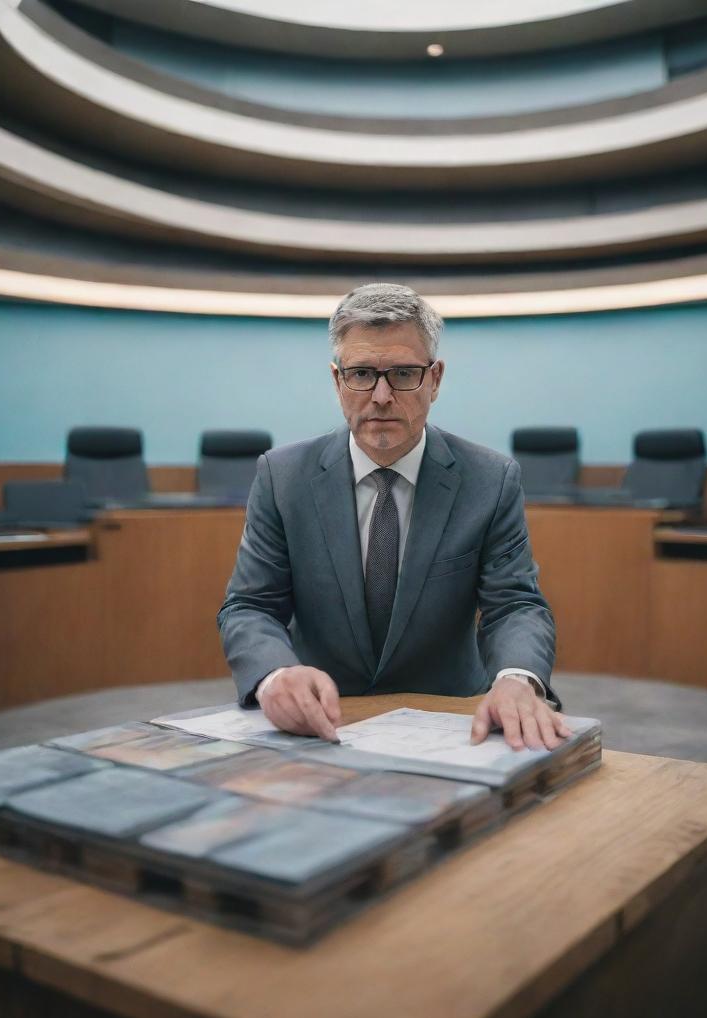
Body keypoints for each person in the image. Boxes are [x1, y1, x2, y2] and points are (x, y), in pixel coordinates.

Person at [218, 283, 569, 751]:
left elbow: (515, 605)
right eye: (361, 373)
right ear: (337, 380)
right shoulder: (283, 477)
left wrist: (516, 679)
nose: (381, 396)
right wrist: (274, 675)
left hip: (452, 721)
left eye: (403, 373)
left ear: (435, 379)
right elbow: (251, 605)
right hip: (320, 721)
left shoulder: (490, 478)